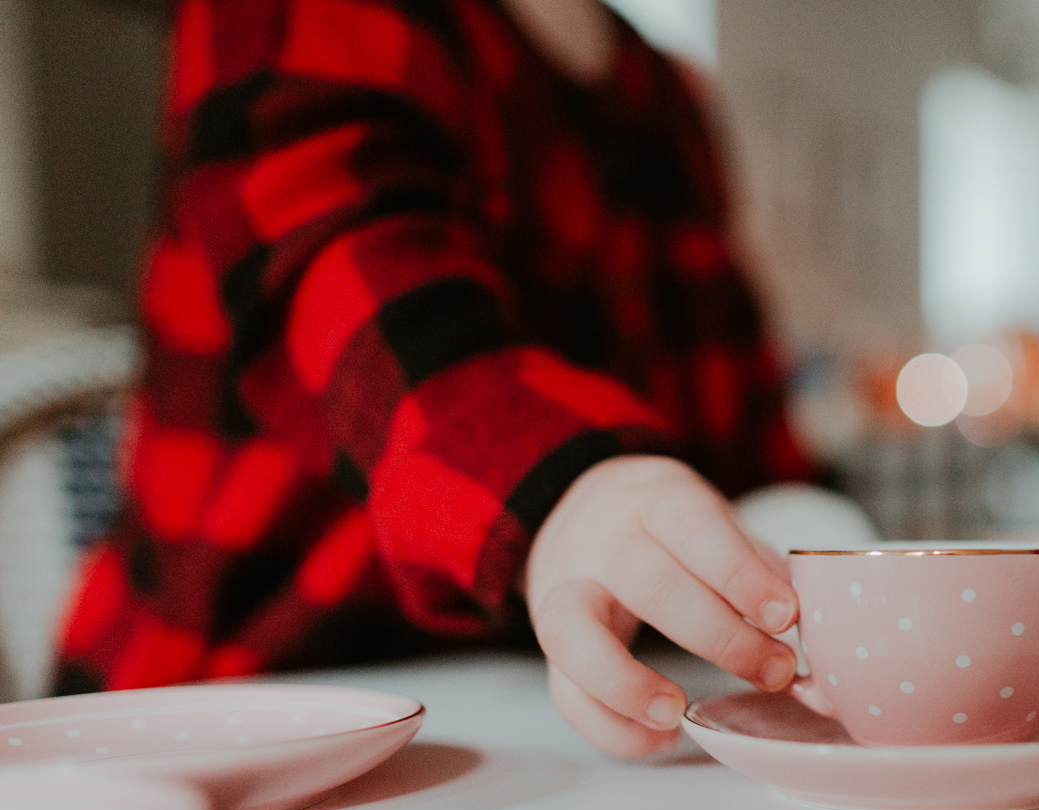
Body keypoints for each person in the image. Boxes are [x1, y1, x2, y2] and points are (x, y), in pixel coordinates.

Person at [53, 0, 816, 757]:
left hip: (526, 724)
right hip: (213, 714)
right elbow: (355, 286)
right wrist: (569, 487)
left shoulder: (660, 95)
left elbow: (729, 398)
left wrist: (810, 540)